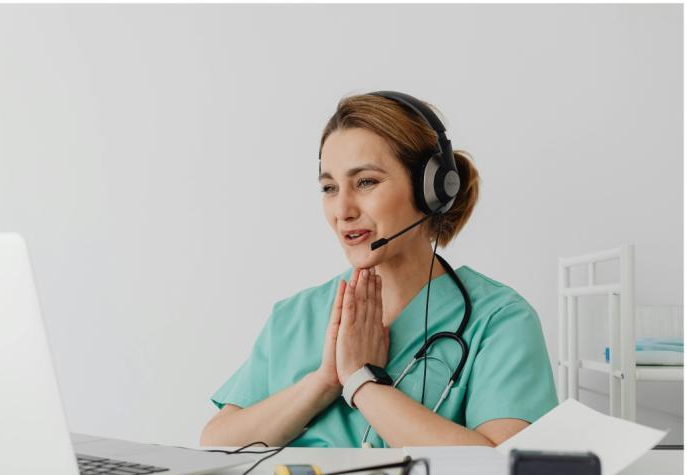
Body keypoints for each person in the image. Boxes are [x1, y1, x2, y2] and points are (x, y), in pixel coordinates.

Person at [200, 91, 558, 448]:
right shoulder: (294, 317)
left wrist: (361, 382)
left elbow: (505, 471)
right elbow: (216, 443)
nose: (342, 209)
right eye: (329, 187)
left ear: (431, 190)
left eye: (366, 182)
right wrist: (324, 382)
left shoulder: (499, 320)